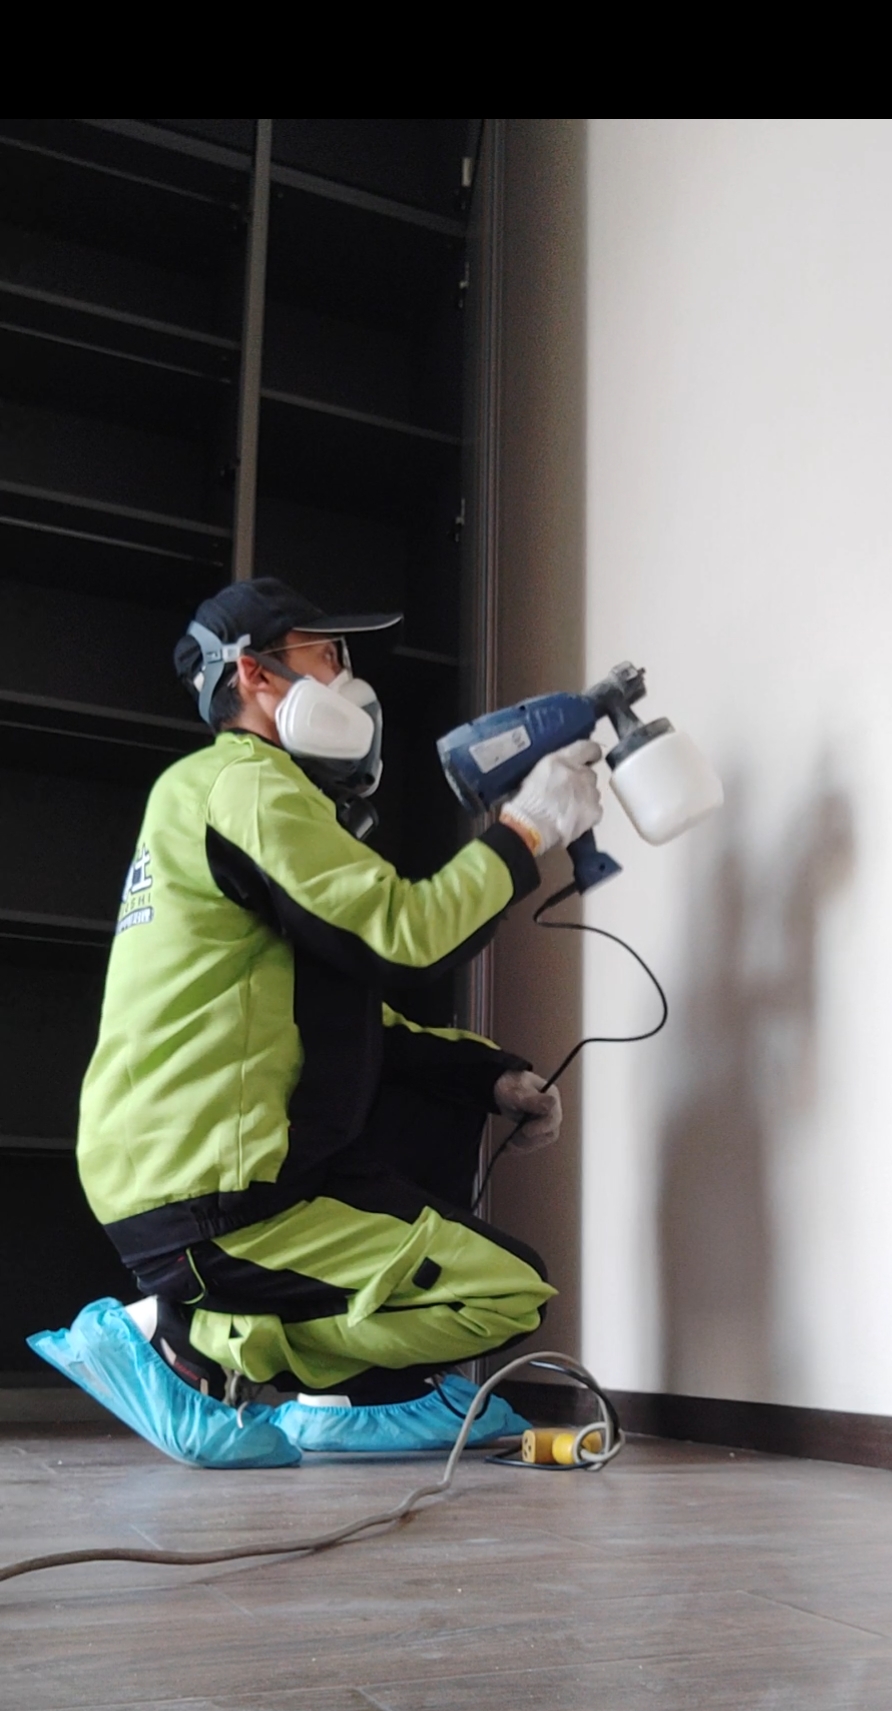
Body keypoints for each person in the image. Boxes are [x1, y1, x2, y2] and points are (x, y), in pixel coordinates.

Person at [72, 577, 603, 1456]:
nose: (348, 679)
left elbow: (333, 1016)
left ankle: (334, 1387)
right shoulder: (247, 784)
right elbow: (406, 937)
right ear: (254, 674)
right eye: (326, 656)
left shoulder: (216, 794)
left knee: (434, 1113)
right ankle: (200, 1343)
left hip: (183, 1165)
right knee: (505, 1291)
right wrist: (525, 835)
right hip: (212, 1187)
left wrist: (489, 1077)